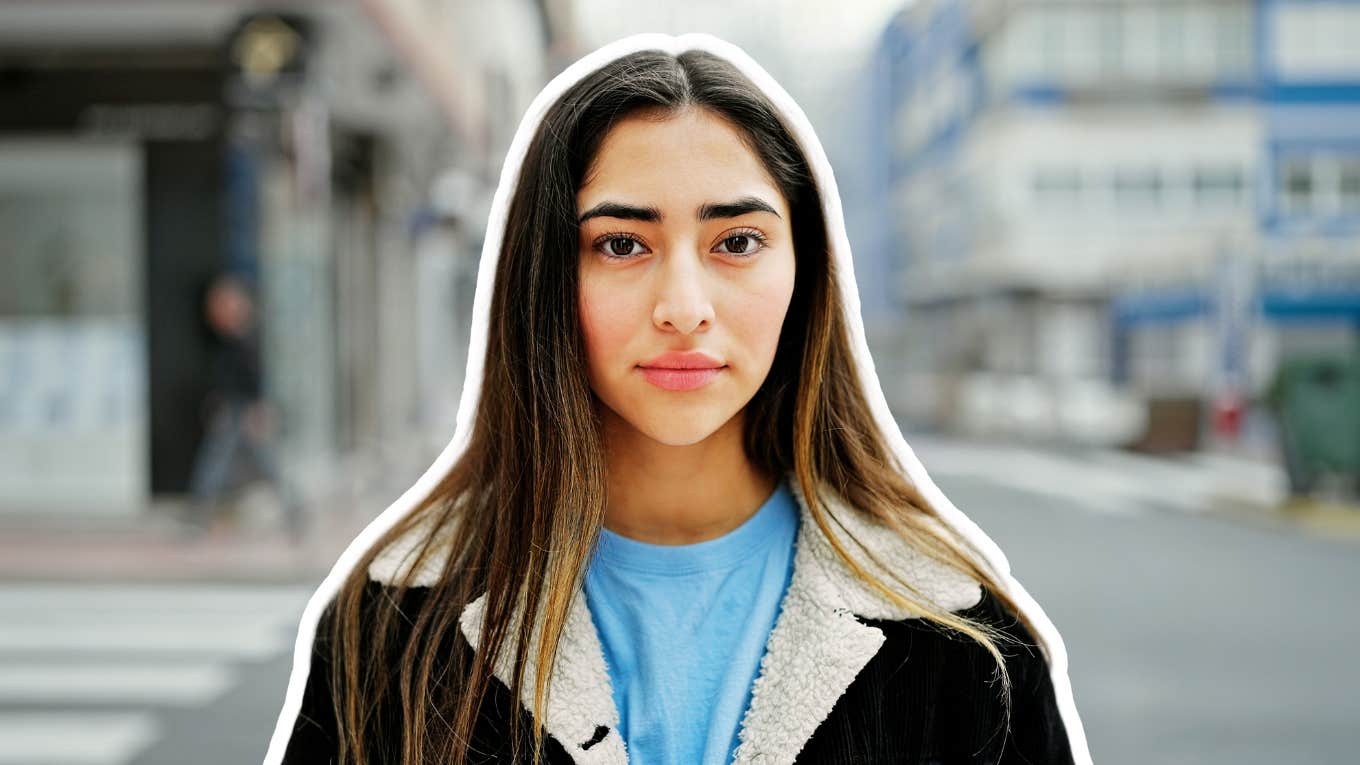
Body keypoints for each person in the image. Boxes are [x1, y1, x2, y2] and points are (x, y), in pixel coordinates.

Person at [266, 33, 1091, 765]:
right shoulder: (392, 622)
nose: (684, 304)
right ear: (546, 277)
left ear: (804, 277)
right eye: (622, 243)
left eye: (737, 242)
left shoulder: (959, 635)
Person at [185, 272, 306, 544]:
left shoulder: (246, 339)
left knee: (257, 465)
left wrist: (258, 410)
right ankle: (200, 514)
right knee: (220, 465)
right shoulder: (225, 339)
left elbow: (255, 379)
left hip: (242, 412)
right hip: (231, 410)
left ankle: (294, 510)